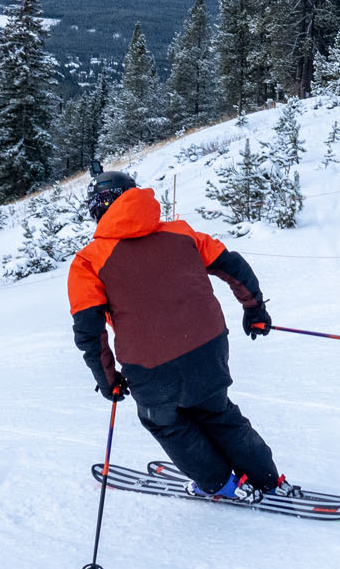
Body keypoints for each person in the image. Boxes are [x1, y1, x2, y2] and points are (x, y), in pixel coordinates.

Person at [67, 169, 292, 503]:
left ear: (98, 209)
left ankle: (218, 482)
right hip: (208, 345)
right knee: (216, 410)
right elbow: (232, 266)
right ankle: (267, 478)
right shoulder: (181, 232)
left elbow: (89, 330)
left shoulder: (88, 261)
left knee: (164, 420)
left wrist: (108, 379)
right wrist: (255, 309)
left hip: (149, 362)